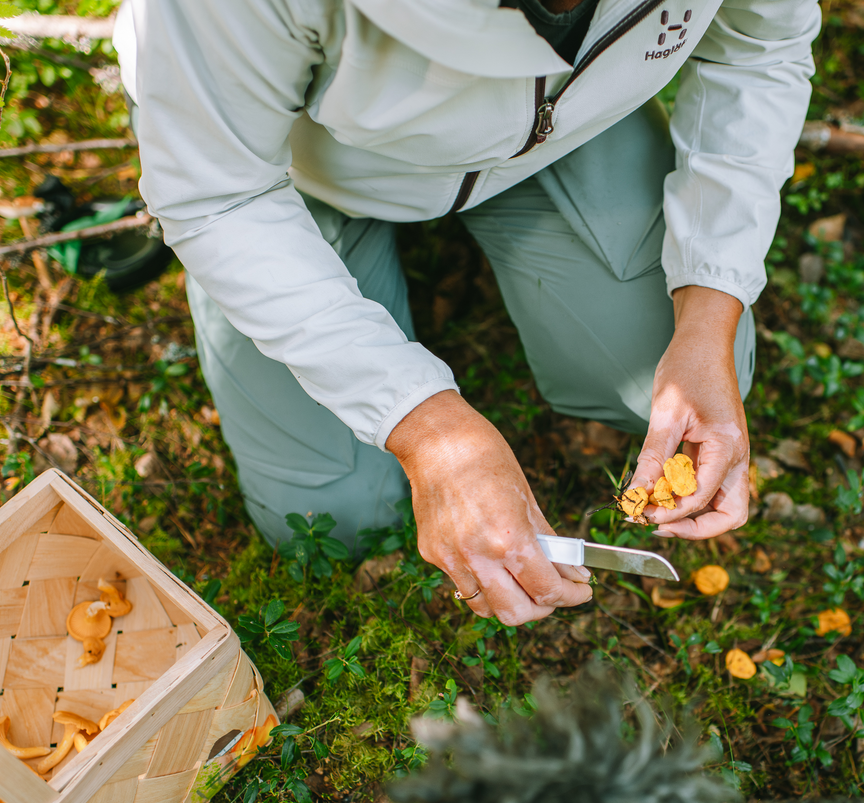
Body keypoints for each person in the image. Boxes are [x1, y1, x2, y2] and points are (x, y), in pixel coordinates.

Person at [115, 0, 819, 625]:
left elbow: (758, 49)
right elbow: (218, 195)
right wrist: (428, 428)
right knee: (331, 523)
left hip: (568, 132)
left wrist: (708, 308)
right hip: (297, 171)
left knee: (678, 383)